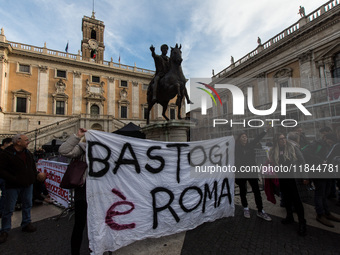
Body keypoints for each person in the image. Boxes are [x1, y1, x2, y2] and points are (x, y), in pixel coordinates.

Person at [0, 134, 46, 244]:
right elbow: (1, 170)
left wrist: (36, 175)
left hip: (27, 184)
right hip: (12, 185)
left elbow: (31, 167)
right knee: (8, 208)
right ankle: (5, 230)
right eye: (26, 140)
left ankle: (26, 223)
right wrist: (13, 179)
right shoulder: (6, 153)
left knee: (27, 204)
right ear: (18, 142)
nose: (28, 142)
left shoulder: (28, 153)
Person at [269, 133, 306, 236]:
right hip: (283, 179)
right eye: (280, 139)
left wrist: (305, 176)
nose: (283, 140)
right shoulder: (274, 151)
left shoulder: (292, 148)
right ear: (276, 141)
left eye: (284, 138)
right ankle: (289, 216)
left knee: (297, 201)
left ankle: (302, 222)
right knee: (287, 199)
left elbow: (302, 161)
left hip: (293, 178)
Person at [59, 128, 88, 255]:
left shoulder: (105, 150)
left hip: (99, 194)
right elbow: (63, 150)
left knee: (99, 224)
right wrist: (77, 136)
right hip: (83, 191)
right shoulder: (82, 148)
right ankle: (75, 252)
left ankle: (98, 248)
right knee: (79, 224)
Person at [235, 127, 272, 221]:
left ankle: (260, 210)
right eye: (243, 137)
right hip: (241, 173)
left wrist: (265, 131)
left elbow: (257, 138)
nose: (244, 138)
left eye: (245, 137)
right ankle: (246, 208)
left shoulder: (250, 145)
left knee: (257, 191)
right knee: (243, 191)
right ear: (239, 139)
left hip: (251, 172)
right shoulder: (236, 148)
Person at [0, 138, 13, 218]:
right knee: (4, 195)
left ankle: (1, 210)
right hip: (3, 176)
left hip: (4, 176)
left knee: (5, 195)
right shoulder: (4, 153)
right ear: (5, 143)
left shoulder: (7, 152)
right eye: (10, 144)